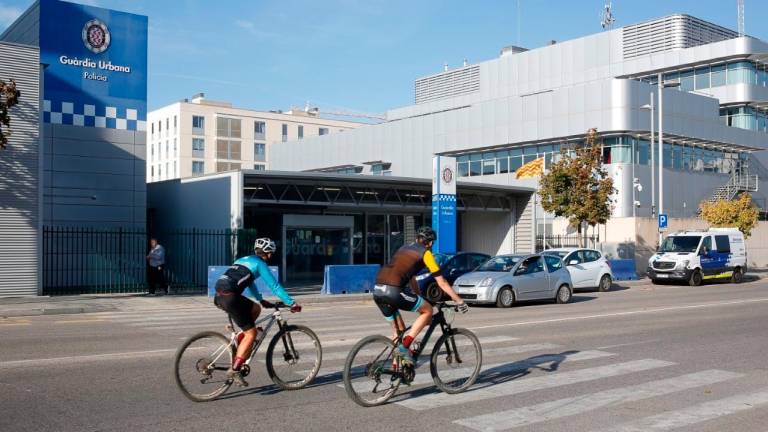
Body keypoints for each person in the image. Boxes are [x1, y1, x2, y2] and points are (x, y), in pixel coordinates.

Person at [373, 226, 468, 366]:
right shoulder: (426, 253)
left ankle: (396, 369)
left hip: (378, 290)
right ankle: (405, 348)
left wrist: (420, 297)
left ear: (417, 239)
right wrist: (459, 300)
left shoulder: (403, 248)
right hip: (394, 290)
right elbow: (441, 282)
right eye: (432, 243)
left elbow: (411, 278)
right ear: (430, 243)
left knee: (397, 330)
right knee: (428, 311)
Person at [213, 237, 301, 386]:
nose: (271, 256)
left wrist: (260, 299)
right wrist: (291, 303)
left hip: (219, 296)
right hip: (231, 297)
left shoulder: (243, 260)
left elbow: (249, 282)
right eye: (271, 253)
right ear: (268, 253)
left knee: (255, 309)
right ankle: (235, 370)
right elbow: (274, 286)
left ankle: (242, 345)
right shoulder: (260, 264)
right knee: (252, 333)